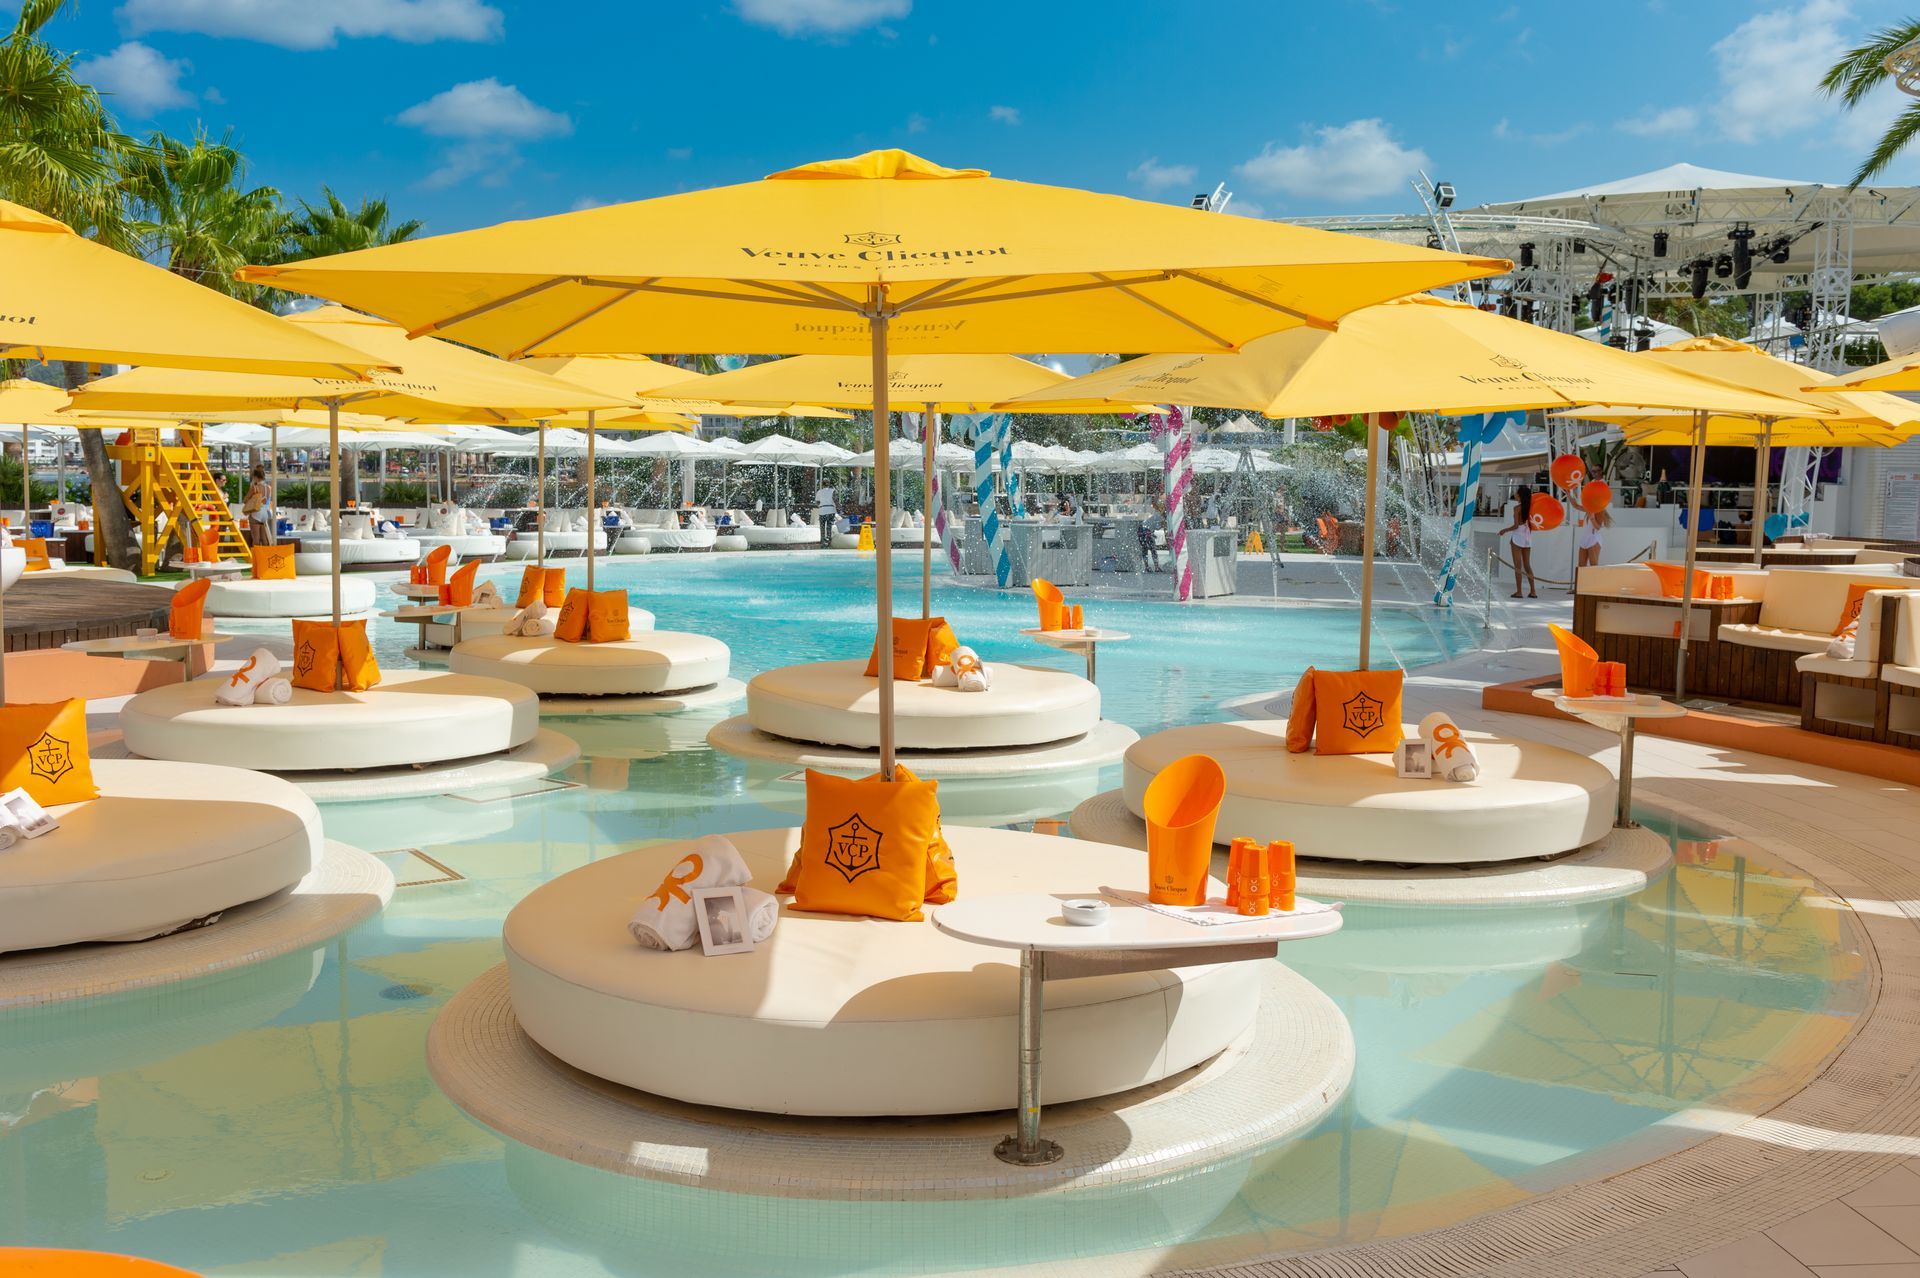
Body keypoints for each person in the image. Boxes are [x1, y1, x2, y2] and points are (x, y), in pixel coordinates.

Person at [1499, 485, 1538, 598]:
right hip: (1527, 537)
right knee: (1527, 565)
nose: (1515, 494)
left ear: (1520, 495)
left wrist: (1504, 530)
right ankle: (1533, 591)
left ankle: (1519, 591)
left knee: (1518, 566)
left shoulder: (1517, 508)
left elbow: (1516, 526)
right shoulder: (1530, 508)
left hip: (1517, 537)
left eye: (1517, 493)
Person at [243, 465, 272, 547]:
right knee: (264, 539)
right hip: (265, 513)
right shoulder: (268, 488)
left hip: (256, 512)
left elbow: (245, 500)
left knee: (256, 539)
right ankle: (265, 557)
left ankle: (256, 558)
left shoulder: (255, 487)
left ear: (255, 477)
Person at [1577, 504, 1610, 569]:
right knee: (1581, 566)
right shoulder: (1589, 508)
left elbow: (1598, 527)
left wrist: (1592, 518)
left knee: (1593, 565)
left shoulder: (1600, 511)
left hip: (1594, 539)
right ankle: (1582, 579)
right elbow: (1576, 506)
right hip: (1584, 538)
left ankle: (1596, 579)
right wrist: (1568, 495)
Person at [814, 482, 837, 548]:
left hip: (822, 511)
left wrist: (821, 505)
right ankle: (828, 542)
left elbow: (817, 502)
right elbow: (836, 500)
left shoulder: (819, 492)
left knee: (822, 526)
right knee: (829, 526)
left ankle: (822, 541)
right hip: (831, 510)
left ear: (822, 485)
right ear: (829, 485)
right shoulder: (833, 491)